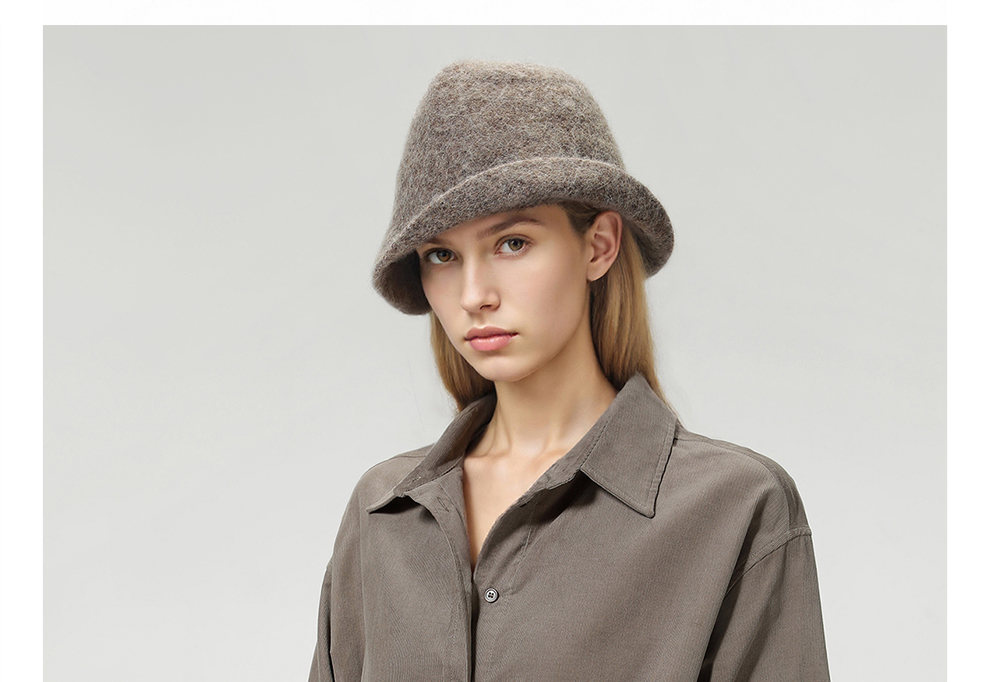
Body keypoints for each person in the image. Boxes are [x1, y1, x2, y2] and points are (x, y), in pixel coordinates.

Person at [308, 60, 830, 682]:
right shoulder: (381, 513)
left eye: (512, 243)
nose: (473, 295)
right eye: (441, 255)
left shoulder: (734, 508)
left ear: (599, 245)